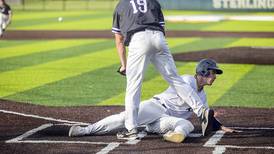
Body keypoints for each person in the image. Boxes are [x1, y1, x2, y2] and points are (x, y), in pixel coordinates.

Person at [69, 59, 236, 143]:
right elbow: (194, 102)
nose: (215, 76)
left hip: (164, 121)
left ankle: (171, 135)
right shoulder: (186, 81)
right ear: (204, 71)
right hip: (155, 107)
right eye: (213, 73)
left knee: (187, 125)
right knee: (123, 118)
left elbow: (205, 115)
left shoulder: (203, 97)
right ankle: (85, 130)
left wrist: (220, 126)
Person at [112, 0, 212, 139]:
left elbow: (119, 40)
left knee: (133, 86)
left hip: (138, 39)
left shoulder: (121, 5)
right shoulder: (153, 1)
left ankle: (131, 129)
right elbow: (162, 28)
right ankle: (201, 111)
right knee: (175, 79)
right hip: (159, 38)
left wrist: (124, 65)